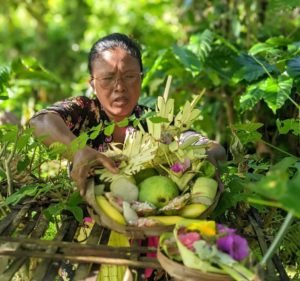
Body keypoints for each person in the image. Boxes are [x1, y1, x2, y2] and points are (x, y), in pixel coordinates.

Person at [30, 32, 226, 198]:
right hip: (89, 218)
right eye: (107, 78)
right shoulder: (85, 110)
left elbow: (208, 145)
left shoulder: (152, 121)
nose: (119, 87)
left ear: (140, 80)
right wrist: (77, 151)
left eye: (129, 76)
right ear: (93, 85)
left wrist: (203, 152)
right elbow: (40, 121)